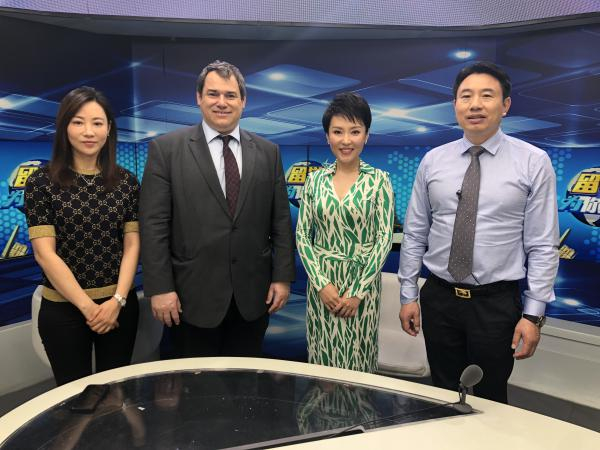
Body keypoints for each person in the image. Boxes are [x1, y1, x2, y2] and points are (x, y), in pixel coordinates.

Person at [398, 62, 559, 403]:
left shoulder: (533, 162)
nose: (475, 105)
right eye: (466, 96)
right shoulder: (433, 161)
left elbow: (543, 244)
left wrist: (533, 315)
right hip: (439, 297)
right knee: (442, 393)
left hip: (495, 304)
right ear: (455, 104)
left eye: (487, 96)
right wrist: (408, 295)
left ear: (505, 105)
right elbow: (415, 233)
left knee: (490, 398)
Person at [139, 60, 295, 358]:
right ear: (199, 97)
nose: (221, 102)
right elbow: (154, 225)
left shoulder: (268, 152)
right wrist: (159, 288)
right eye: (213, 94)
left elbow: (280, 221)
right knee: (195, 384)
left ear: (243, 101)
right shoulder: (166, 150)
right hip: (189, 299)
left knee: (246, 381)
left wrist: (282, 277)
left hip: (253, 298)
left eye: (230, 95)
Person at [24, 86, 140, 386]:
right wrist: (89, 308)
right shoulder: (41, 182)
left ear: (108, 128)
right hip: (64, 310)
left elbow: (132, 245)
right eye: (78, 122)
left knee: (116, 393)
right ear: (64, 127)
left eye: (97, 123)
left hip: (118, 307)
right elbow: (44, 254)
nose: (88, 131)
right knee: (75, 397)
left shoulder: (127, 182)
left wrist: (117, 300)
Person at [296, 92, 395, 373]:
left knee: (358, 365)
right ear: (327, 136)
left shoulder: (379, 181)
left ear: (367, 135)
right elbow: (303, 236)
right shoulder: (314, 181)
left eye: (355, 131)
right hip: (322, 287)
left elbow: (383, 240)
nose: (346, 140)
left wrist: (357, 293)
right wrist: (322, 285)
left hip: (362, 288)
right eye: (338, 132)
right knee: (322, 364)